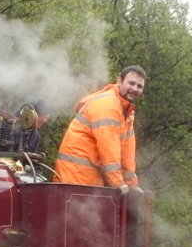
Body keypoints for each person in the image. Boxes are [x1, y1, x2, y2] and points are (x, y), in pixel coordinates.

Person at [54, 65, 146, 193]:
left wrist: (132, 185)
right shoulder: (108, 105)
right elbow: (109, 149)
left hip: (89, 177)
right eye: (131, 83)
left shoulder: (127, 112)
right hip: (76, 176)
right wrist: (118, 184)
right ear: (119, 81)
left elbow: (127, 154)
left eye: (139, 86)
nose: (134, 89)